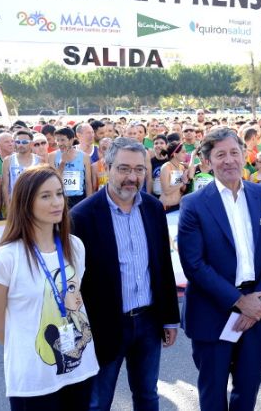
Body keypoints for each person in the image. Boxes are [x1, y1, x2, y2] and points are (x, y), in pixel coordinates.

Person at [177, 127, 261, 411]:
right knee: (213, 395)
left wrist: (258, 303)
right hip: (213, 311)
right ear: (207, 161)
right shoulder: (193, 204)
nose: (229, 160)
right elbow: (194, 264)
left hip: (257, 308)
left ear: (244, 155)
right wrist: (239, 302)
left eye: (234, 153)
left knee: (248, 389)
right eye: (220, 154)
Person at [71, 138, 180, 411]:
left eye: (139, 169)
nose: (132, 177)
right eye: (123, 169)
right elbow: (74, 283)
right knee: (97, 402)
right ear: (108, 167)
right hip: (104, 326)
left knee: (147, 396)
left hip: (148, 323)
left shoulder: (154, 209)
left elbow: (162, 266)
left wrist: (170, 318)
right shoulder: (82, 216)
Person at [0, 165, 99, 409]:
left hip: (80, 368)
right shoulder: (6, 257)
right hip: (34, 380)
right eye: (45, 196)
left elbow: (75, 297)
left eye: (59, 193)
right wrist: (30, 351)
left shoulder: (74, 246)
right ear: (26, 203)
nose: (57, 202)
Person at [53, 127, 94, 209]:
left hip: (79, 198)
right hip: (60, 197)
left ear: (71, 140)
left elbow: (88, 183)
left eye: (62, 140)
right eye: (57, 140)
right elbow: (52, 180)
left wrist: (89, 203)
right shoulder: (52, 156)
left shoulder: (84, 157)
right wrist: (62, 163)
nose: (59, 143)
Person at [3, 130, 42, 209]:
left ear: (31, 144)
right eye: (18, 142)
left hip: (34, 202)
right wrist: (8, 206)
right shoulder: (8, 160)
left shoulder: (40, 160)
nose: (20, 145)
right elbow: (5, 186)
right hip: (15, 203)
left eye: (24, 142)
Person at [159, 141, 189, 212]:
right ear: (175, 154)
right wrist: (182, 182)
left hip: (178, 206)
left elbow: (182, 189)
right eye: (183, 152)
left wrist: (185, 182)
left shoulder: (181, 167)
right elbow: (166, 191)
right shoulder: (166, 167)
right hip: (166, 207)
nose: (186, 154)